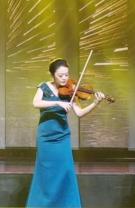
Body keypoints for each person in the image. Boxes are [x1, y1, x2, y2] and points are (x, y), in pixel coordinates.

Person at [26, 58, 105, 208]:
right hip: (45, 137)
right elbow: (35, 103)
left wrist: (95, 102)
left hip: (62, 136)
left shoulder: (70, 91)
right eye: (60, 75)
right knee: (45, 173)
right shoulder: (44, 87)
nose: (64, 78)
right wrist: (57, 102)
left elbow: (79, 113)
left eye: (66, 75)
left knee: (65, 171)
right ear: (52, 75)